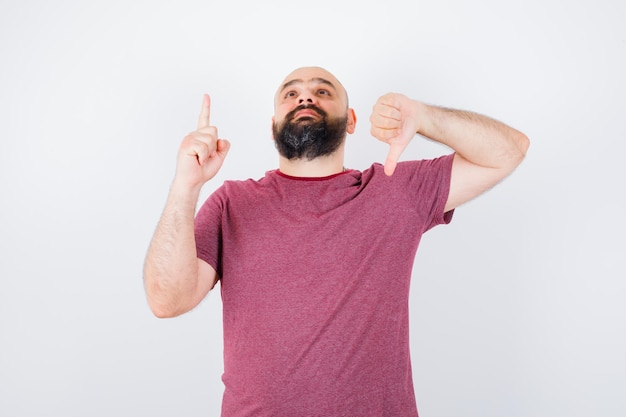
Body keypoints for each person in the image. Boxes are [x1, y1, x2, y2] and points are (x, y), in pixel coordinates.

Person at [143, 66, 529, 416]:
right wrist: (185, 186)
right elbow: (166, 300)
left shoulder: (394, 189)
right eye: (291, 94)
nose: (306, 97)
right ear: (273, 123)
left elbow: (508, 152)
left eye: (323, 91)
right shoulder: (232, 202)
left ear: (351, 122)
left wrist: (425, 117)